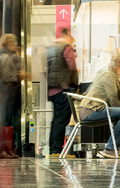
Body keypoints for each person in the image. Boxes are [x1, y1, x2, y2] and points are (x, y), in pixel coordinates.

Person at [79, 51, 120, 159]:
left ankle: (113, 148)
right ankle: (110, 149)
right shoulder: (110, 76)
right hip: (91, 111)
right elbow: (114, 102)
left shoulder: (105, 73)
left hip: (86, 110)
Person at [46, 28, 78, 158]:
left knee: (56, 120)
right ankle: (56, 151)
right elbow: (72, 67)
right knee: (62, 120)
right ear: (67, 36)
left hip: (52, 89)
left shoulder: (51, 49)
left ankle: (53, 149)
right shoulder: (66, 48)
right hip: (63, 88)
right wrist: (75, 84)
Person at [0, 33, 25, 159]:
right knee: (6, 120)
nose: (16, 45)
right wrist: (20, 75)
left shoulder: (8, 56)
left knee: (9, 120)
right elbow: (8, 77)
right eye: (14, 42)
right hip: (8, 91)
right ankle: (3, 149)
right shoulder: (5, 57)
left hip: (10, 91)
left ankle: (8, 148)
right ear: (8, 43)